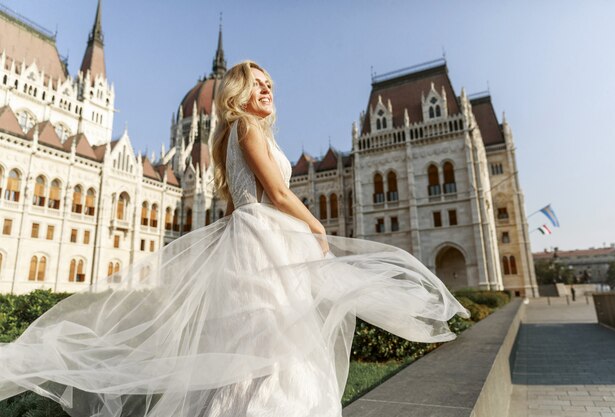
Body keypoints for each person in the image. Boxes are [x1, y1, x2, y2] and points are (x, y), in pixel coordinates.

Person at [0, 60, 469, 417]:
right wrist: (316, 225)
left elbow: (233, 202)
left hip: (255, 239)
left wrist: (233, 236)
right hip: (264, 238)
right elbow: (279, 192)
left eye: (271, 85)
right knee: (272, 346)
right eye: (259, 83)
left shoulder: (232, 136)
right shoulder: (244, 128)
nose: (268, 89)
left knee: (260, 347)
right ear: (240, 92)